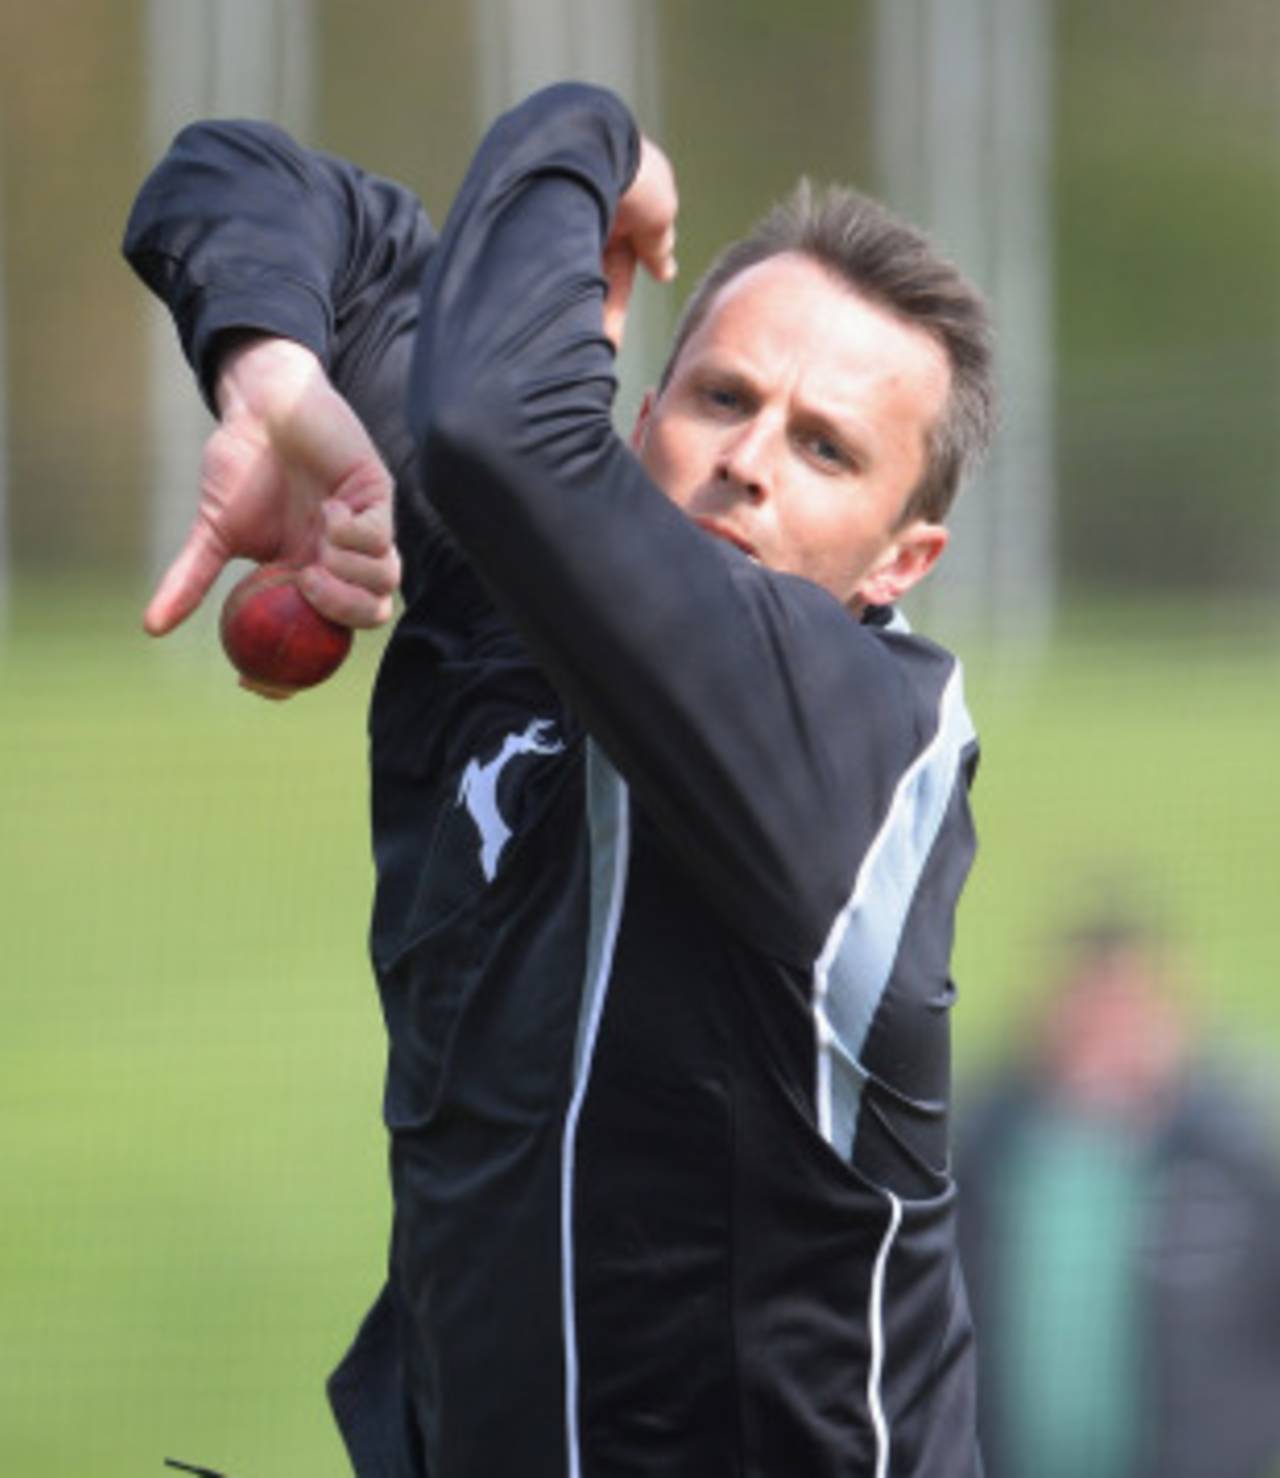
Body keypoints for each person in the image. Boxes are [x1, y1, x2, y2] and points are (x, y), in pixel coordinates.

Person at [124, 81, 994, 1477]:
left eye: (826, 447)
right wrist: (278, 373)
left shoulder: (851, 733)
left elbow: (491, 429)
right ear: (639, 413)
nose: (748, 463)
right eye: (722, 397)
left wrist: (595, 136)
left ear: (900, 562)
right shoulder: (514, 582)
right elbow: (231, 177)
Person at [957, 912, 1280, 1478]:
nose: (1108, 1032)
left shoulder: (1232, 1158)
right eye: (1090, 1009)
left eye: (1127, 1008)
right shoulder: (982, 1150)